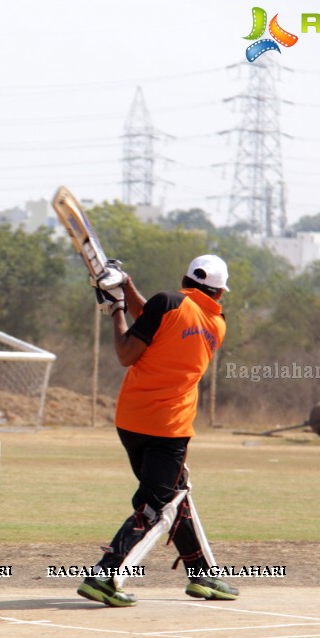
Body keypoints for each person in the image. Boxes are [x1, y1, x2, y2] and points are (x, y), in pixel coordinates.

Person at [76, 254, 240, 607]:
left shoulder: (167, 303)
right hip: (168, 428)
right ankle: (105, 576)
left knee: (174, 495)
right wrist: (126, 289)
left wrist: (117, 306)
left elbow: (133, 341)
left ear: (186, 280)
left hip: (132, 421)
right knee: (155, 505)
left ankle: (202, 575)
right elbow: (146, 330)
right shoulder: (217, 323)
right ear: (219, 294)